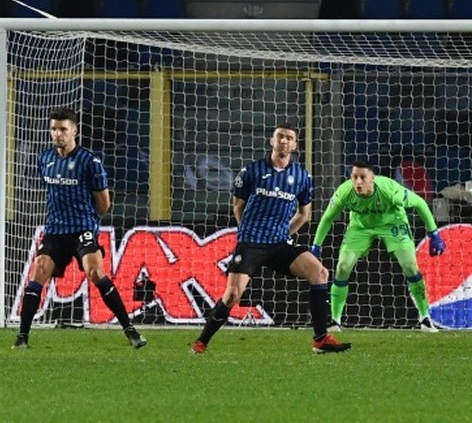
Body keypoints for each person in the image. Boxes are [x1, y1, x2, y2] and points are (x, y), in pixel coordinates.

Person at [191, 124, 351, 354]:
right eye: (280, 137)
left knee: (320, 272)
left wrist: (285, 233)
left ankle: (320, 338)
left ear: (295, 145)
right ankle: (201, 342)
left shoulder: (302, 176)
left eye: (289, 138)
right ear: (271, 141)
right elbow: (238, 205)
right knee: (233, 295)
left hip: (279, 243)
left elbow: (304, 214)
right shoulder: (252, 171)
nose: (284, 141)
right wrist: (248, 230)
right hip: (251, 242)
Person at [13, 108, 147, 350]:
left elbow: (104, 202)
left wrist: (89, 222)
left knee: (95, 273)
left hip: (82, 229)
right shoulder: (45, 159)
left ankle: (130, 330)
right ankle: (22, 337)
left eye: (63, 129)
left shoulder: (89, 161)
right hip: (55, 230)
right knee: (38, 272)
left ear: (74, 130)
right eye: (54, 129)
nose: (58, 134)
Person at [311, 160, 446, 332]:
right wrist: (316, 246)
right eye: (354, 177)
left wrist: (433, 234)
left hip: (393, 223)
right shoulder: (344, 192)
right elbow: (327, 218)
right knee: (343, 267)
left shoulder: (389, 190)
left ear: (372, 178)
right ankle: (335, 321)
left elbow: (419, 203)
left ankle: (425, 318)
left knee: (410, 266)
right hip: (360, 227)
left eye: (363, 177)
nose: (358, 182)